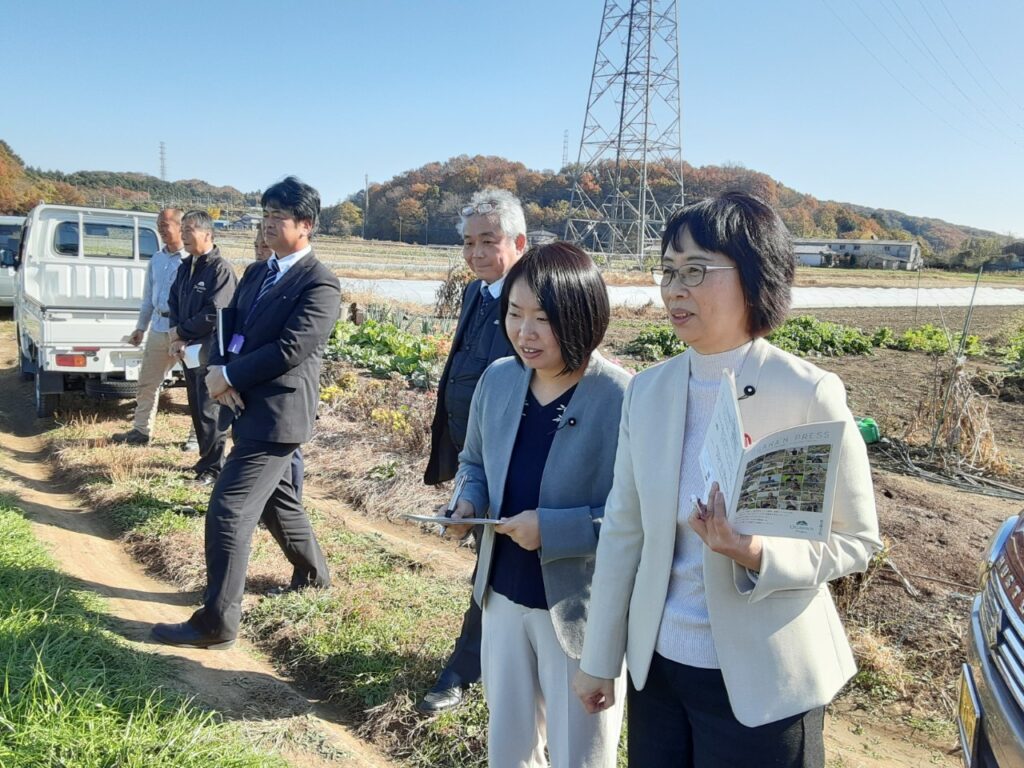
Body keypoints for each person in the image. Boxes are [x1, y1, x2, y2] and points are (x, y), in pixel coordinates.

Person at [573, 192, 883, 767]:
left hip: (763, 679)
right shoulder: (649, 390)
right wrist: (599, 656)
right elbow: (623, 530)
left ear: (755, 277)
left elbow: (856, 539)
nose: (673, 289)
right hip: (659, 671)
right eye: (667, 271)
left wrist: (756, 551)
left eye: (695, 270)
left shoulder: (807, 393)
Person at [448, 243, 628, 767]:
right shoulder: (499, 379)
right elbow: (474, 461)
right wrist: (466, 502)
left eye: (543, 319)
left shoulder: (621, 397)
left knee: (582, 753)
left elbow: (634, 515)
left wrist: (552, 528)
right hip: (502, 595)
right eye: (515, 314)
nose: (524, 332)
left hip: (578, 611)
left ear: (581, 318)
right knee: (509, 747)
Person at [151, 177, 339, 649]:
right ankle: (315, 575)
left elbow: (291, 348)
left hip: (279, 415)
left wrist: (230, 377)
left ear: (306, 225)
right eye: (266, 215)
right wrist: (217, 367)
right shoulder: (259, 272)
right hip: (245, 403)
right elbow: (226, 325)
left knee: (229, 509)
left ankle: (217, 623)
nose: (269, 225)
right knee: (279, 503)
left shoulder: (320, 283)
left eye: (279, 217)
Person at [418, 188, 528, 714]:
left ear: (518, 242)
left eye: (488, 241)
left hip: (514, 453)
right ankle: (491, 658)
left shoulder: (533, 296)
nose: (477, 253)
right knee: (488, 557)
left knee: (493, 560)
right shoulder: (475, 294)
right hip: (473, 450)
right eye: (468, 243)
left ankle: (465, 670)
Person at [167, 210, 237, 485]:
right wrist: (176, 335)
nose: (183, 235)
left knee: (210, 409)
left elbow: (215, 312)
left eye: (189, 230)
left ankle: (214, 467)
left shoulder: (220, 270)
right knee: (196, 405)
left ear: (208, 234)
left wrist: (182, 332)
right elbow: (174, 302)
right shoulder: (186, 266)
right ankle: (205, 461)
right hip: (187, 348)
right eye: (182, 229)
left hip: (209, 348)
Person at [112, 208, 187, 445]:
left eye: (165, 225)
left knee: (196, 386)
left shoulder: (192, 259)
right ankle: (141, 431)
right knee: (147, 382)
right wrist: (140, 327)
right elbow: (148, 298)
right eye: (159, 224)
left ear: (180, 227)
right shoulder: (157, 259)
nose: (161, 230)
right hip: (158, 327)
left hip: (185, 331)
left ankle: (197, 437)